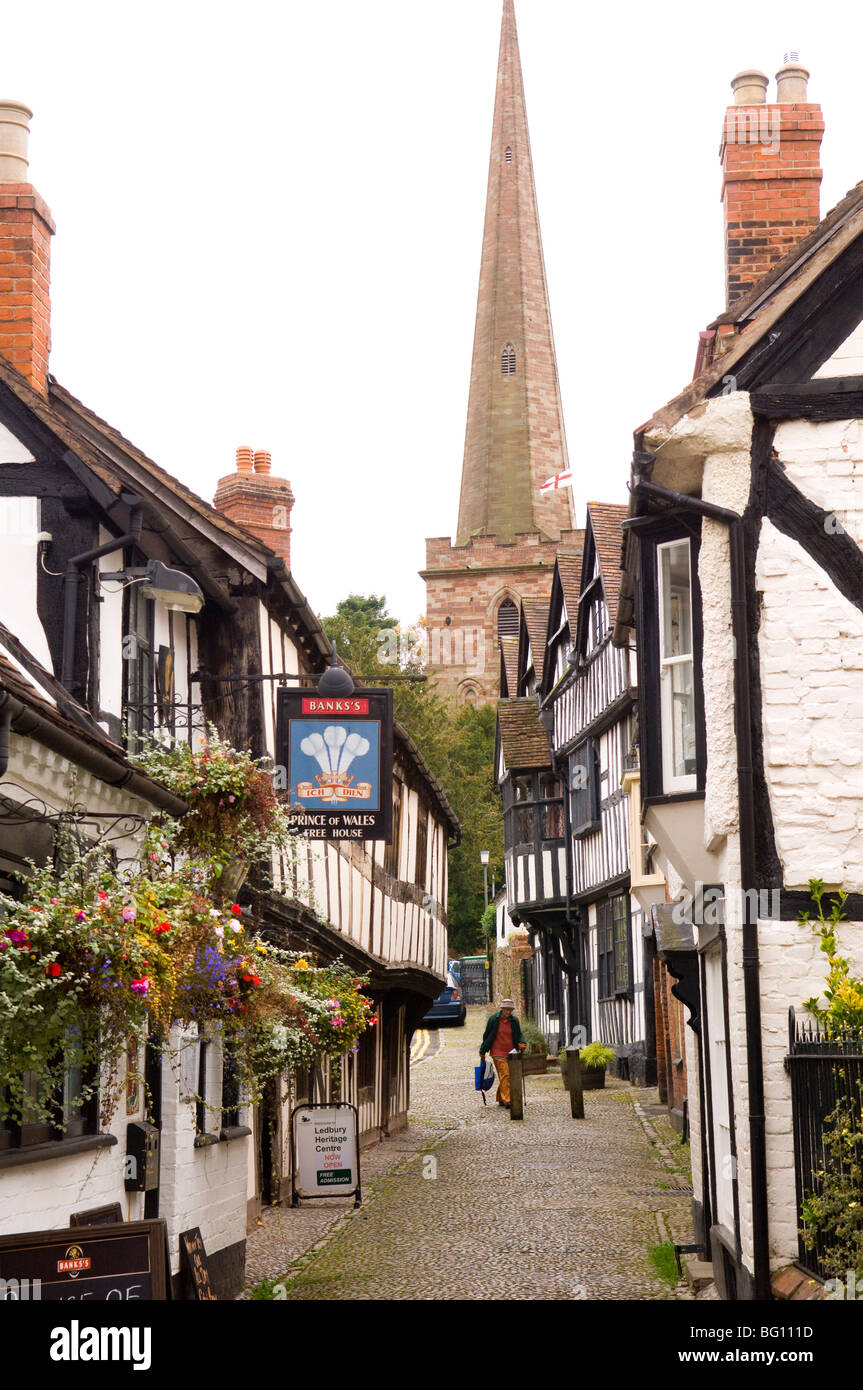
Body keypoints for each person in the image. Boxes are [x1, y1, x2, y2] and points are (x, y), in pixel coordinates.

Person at [479, 998, 526, 1108]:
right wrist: (483, 1050)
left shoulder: (514, 1020)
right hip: (497, 1051)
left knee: (506, 1076)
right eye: (506, 1010)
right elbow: (487, 1036)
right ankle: (507, 1099)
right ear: (502, 1009)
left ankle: (500, 1097)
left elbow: (519, 1034)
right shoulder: (493, 1019)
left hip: (511, 1052)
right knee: (505, 1074)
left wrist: (522, 1043)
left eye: (510, 1010)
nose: (508, 1012)